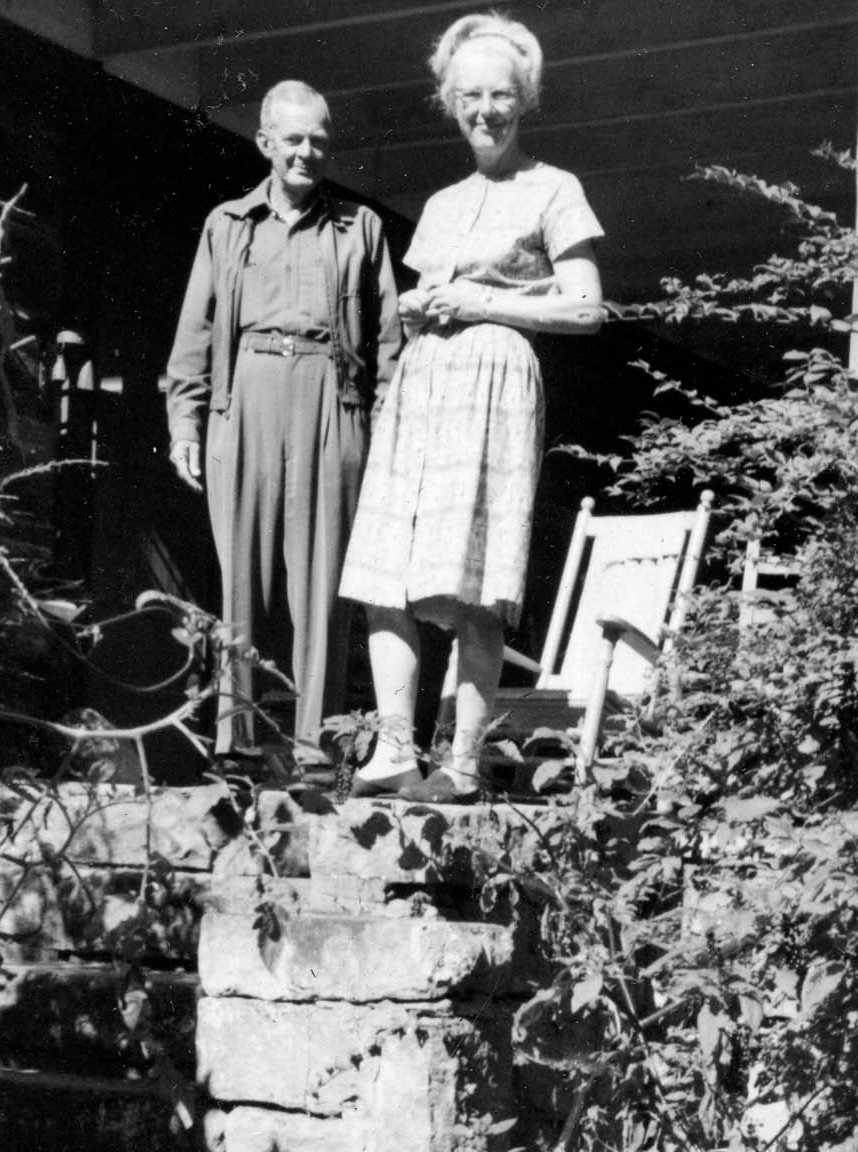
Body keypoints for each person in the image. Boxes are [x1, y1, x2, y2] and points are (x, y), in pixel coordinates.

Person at [338, 11, 605, 803]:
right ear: (449, 103)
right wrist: (420, 306)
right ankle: (394, 751)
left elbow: (587, 308)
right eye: (469, 97)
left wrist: (482, 303)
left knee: (476, 576)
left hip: (494, 383)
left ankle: (459, 762)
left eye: (500, 95)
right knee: (386, 568)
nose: (485, 111)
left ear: (526, 100)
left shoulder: (555, 189)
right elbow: (430, 293)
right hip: (424, 386)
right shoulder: (444, 202)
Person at [166, 81, 402, 767]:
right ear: (265, 143)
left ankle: (316, 748)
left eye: (318, 141)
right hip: (245, 397)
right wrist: (185, 423)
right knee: (240, 577)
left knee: (323, 584)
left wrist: (384, 436)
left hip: (333, 400)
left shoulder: (360, 227)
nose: (306, 152)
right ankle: (236, 743)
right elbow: (195, 329)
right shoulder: (227, 224)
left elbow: (390, 344)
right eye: (293, 139)